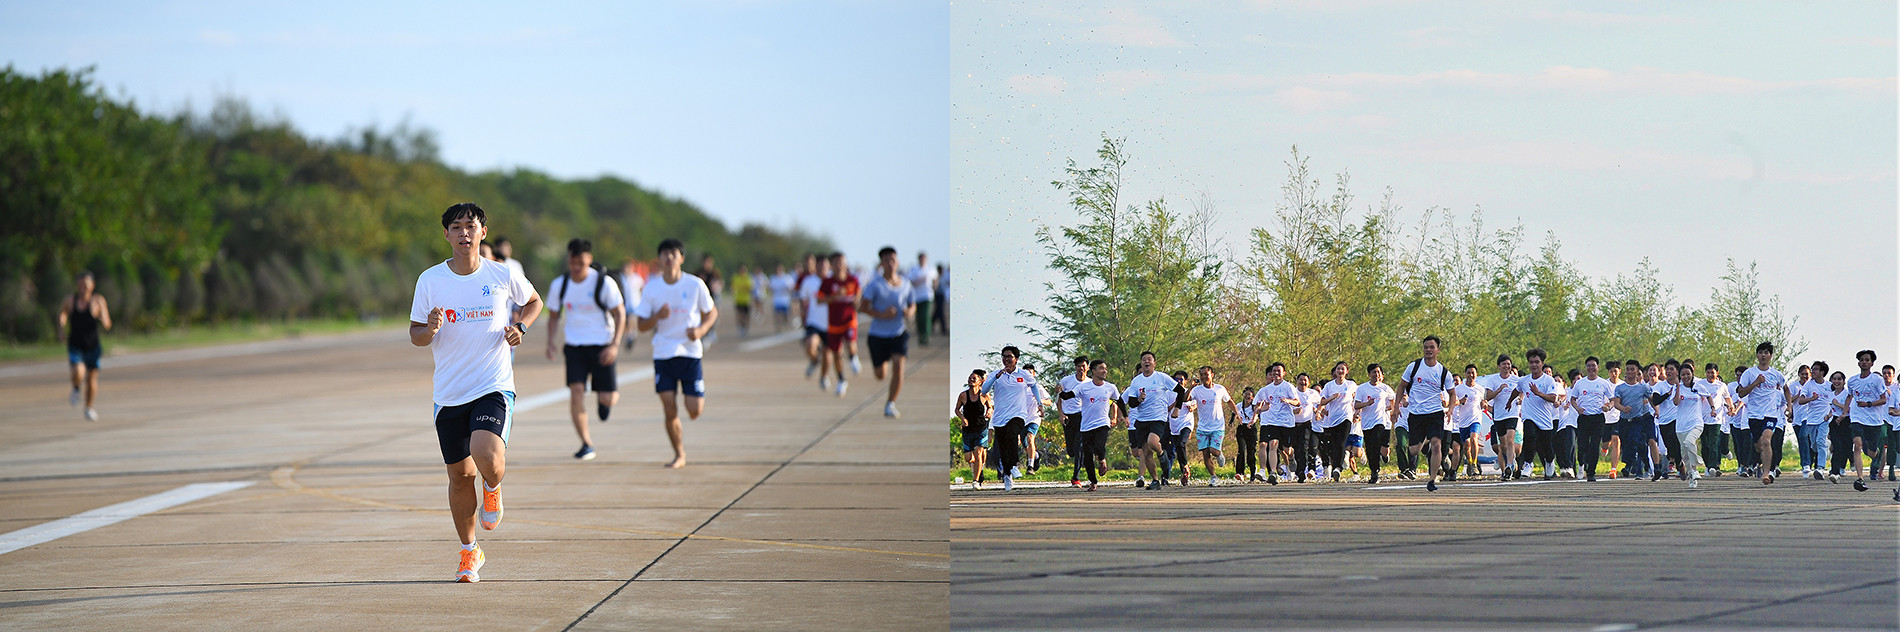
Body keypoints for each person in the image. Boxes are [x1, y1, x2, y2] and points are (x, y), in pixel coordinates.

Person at [408, 202, 543, 583]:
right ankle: (469, 553)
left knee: (487, 455)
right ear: (446, 235)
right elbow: (416, 335)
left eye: (471, 226)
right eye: (456, 227)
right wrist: (430, 329)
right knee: (458, 477)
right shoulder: (430, 281)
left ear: (483, 232)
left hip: (492, 385)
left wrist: (522, 327)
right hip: (449, 393)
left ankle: (494, 485)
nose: (464, 232)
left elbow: (534, 302)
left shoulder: (502, 274)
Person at [632, 238, 718, 470]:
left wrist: (700, 330)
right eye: (664, 253)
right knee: (669, 407)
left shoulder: (695, 284)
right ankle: (679, 455)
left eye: (673, 253)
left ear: (681, 258)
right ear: (659, 259)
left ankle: (693, 404)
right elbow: (640, 325)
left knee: (694, 410)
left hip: (690, 353)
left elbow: (711, 313)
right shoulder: (652, 288)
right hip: (663, 352)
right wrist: (657, 317)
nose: (669, 257)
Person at [544, 238, 627, 461]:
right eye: (573, 262)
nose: (576, 267)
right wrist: (551, 342)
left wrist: (615, 345)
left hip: (602, 345)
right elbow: (553, 317)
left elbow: (620, 313)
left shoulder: (604, 283)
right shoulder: (560, 285)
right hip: (574, 347)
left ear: (589, 260)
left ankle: (603, 401)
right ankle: (586, 443)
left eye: (581, 262)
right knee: (576, 392)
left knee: (609, 398)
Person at [858, 247, 917, 418]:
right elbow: (862, 307)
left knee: (899, 366)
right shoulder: (875, 285)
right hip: (877, 335)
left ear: (898, 261)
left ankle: (890, 404)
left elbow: (912, 304)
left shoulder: (906, 284)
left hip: (898, 333)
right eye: (886, 260)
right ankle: (880, 367)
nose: (890, 263)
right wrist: (881, 314)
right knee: (880, 374)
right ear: (881, 263)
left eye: (893, 259)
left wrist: (909, 312)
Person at [1396, 335, 1457, 491]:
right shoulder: (1414, 367)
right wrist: (1396, 407)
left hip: (1435, 412)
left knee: (1437, 445)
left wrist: (1450, 409)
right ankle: (1425, 441)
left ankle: (1432, 480)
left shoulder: (1443, 372)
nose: (1428, 350)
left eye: (1432, 347)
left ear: (1438, 350)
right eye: (1426, 347)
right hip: (1416, 413)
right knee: (1414, 450)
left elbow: (1452, 393)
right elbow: (1401, 386)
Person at [980, 345, 1045, 491]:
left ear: (1016, 359)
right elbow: (984, 391)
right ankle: (1007, 475)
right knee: (1003, 446)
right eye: (1004, 356)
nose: (1006, 359)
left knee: (1012, 434)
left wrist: (1040, 404)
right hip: (1000, 417)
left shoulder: (1024, 374)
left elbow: (1034, 386)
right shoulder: (995, 374)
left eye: (1009, 356)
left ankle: (1014, 465)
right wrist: (996, 377)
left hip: (1018, 414)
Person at [56, 270, 112, 421]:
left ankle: (89, 407)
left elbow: (107, 323)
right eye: (80, 283)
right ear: (77, 285)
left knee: (92, 379)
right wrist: (61, 328)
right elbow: (62, 313)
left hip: (93, 346)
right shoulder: (70, 300)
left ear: (92, 285)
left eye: (86, 284)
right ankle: (75, 388)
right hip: (76, 344)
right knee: (78, 371)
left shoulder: (98, 301)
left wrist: (102, 319)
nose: (83, 287)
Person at [1736, 342, 1788, 485]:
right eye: (1761, 352)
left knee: (1766, 441)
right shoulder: (1749, 373)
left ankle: (1766, 474)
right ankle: (1759, 463)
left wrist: (1789, 407)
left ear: (1771, 355)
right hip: (1754, 415)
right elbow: (1741, 393)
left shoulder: (1776, 374)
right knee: (1759, 446)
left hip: (1770, 413)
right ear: (1757, 355)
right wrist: (1755, 383)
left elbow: (1786, 389)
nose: (1763, 355)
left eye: (1766, 352)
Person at [1125, 351, 1177, 489]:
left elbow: (1181, 390)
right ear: (1141, 363)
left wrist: (1176, 409)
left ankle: (1161, 453)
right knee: (1146, 453)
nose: (1146, 362)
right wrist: (1138, 399)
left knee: (1153, 442)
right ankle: (1155, 480)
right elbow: (1131, 403)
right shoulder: (1136, 381)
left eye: (1149, 359)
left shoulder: (1162, 377)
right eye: (1144, 360)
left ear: (1154, 363)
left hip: (1158, 417)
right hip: (1142, 420)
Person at [1074, 360, 1122, 491]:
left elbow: (1120, 401)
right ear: (1093, 371)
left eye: (1105, 368)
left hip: (1103, 423)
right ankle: (1093, 481)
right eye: (1101, 368)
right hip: (1086, 426)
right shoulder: (1084, 387)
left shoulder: (1110, 387)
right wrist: (1061, 393)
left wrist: (1123, 416)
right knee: (1087, 455)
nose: (1104, 371)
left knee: (1099, 446)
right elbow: (1069, 395)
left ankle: (1102, 460)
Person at [818, 252, 862, 396]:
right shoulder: (828, 282)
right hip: (833, 323)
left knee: (850, 343)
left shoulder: (852, 280)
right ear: (832, 265)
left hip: (849, 320)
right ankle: (842, 379)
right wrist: (835, 297)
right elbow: (820, 300)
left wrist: (856, 301)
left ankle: (853, 358)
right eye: (836, 262)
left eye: (841, 262)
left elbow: (858, 297)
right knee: (836, 354)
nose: (839, 265)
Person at [1515, 349, 1561, 480]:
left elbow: (1553, 398)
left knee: (1547, 447)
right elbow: (1517, 390)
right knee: (1530, 436)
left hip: (1545, 419)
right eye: (1531, 362)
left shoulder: (1549, 381)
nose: (1533, 365)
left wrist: (1538, 393)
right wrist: (1509, 402)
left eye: (1536, 362)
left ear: (1542, 363)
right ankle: (1528, 464)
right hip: (1529, 416)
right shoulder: (1524, 380)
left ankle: (1550, 462)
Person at [1845, 351, 1887, 490]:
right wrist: (1845, 412)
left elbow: (1883, 399)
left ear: (1872, 363)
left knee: (1872, 453)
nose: (1864, 362)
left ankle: (1876, 451)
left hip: (1874, 420)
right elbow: (1850, 397)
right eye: (1861, 360)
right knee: (1857, 445)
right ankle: (1860, 479)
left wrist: (1868, 403)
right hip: (1857, 417)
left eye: (1867, 360)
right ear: (1858, 362)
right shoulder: (1852, 380)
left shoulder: (1877, 380)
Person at [1190, 366, 1237, 487]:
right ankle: (1213, 477)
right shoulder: (1196, 390)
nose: (1204, 377)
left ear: (1212, 375)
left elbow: (1229, 401)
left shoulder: (1220, 389)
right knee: (1205, 453)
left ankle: (1219, 454)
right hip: (1202, 428)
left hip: (1217, 427)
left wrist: (1237, 414)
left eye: (1206, 374)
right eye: (1202, 374)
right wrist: (1190, 388)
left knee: (1214, 450)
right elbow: (1186, 399)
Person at [1254, 363, 1298, 485]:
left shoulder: (1288, 387)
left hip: (1286, 422)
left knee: (1287, 449)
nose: (1276, 373)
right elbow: (1258, 404)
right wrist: (1260, 409)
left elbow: (1297, 402)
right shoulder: (1267, 389)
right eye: (1274, 371)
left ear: (1284, 373)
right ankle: (1272, 472)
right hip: (1273, 421)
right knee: (1273, 444)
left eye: (1279, 371)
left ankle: (1291, 457)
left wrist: (1287, 400)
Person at [1353, 364, 1396, 484]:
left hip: (1381, 420)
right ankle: (1373, 470)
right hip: (1367, 423)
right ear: (1369, 374)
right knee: (1370, 448)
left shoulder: (1385, 388)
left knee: (1377, 443)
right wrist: (1366, 403)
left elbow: (1393, 399)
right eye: (1373, 372)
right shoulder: (1362, 388)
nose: (1376, 374)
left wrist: (1392, 410)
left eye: (1378, 372)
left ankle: (1376, 470)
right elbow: (1356, 405)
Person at [1479, 355, 1520, 479]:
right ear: (1499, 366)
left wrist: (1521, 399)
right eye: (1504, 364)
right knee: (1502, 445)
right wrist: (1499, 390)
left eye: (1508, 364)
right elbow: (1487, 396)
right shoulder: (1493, 380)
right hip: (1499, 415)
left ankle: (1509, 466)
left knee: (1510, 440)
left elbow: (1522, 390)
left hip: (1512, 414)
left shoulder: (1516, 379)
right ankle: (1505, 470)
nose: (1507, 366)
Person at [1316, 362, 1357, 483]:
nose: (1340, 371)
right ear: (1335, 371)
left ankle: (1338, 468)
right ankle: (1335, 467)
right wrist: (1332, 398)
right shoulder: (1329, 386)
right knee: (1332, 446)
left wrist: (1357, 412)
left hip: (1346, 418)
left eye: (1342, 369)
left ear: (1347, 371)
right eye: (1338, 369)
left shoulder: (1351, 385)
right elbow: (1322, 402)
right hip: (1332, 420)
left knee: (1341, 443)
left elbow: (1357, 398)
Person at [955, 369, 993, 489]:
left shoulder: (984, 395)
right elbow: (956, 409)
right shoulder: (963, 395)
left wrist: (989, 412)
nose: (971, 380)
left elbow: (990, 407)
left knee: (978, 453)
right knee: (969, 458)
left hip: (981, 428)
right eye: (970, 378)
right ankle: (979, 468)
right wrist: (962, 418)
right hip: (967, 429)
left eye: (974, 378)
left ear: (980, 382)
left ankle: (976, 481)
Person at [1058, 356, 1089, 487]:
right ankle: (1084, 459)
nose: (1081, 369)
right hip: (1068, 417)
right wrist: (1061, 414)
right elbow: (1058, 398)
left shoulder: (1090, 383)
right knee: (1071, 450)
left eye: (1083, 366)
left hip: (1083, 416)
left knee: (1079, 446)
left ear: (1087, 367)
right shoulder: (1066, 381)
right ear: (1075, 367)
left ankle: (1075, 477)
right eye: (1078, 366)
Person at [1449, 365, 1483, 479]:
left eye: (1473, 373)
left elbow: (1485, 401)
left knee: (1473, 439)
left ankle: (1474, 464)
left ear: (1476, 375)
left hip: (1475, 419)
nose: (1471, 375)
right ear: (1465, 374)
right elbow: (1452, 403)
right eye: (1468, 373)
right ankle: (1469, 462)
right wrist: (1460, 401)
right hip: (1463, 422)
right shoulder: (1459, 389)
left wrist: (1484, 404)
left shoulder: (1480, 389)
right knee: (1466, 446)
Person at [797, 254, 828, 379]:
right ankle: (815, 360)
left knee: (830, 354)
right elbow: (802, 300)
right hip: (813, 320)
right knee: (809, 345)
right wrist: (803, 315)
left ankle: (825, 377)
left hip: (830, 322)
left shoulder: (832, 280)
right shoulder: (807, 280)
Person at [1291, 372, 1321, 483]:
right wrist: (1294, 411)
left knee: (1304, 447)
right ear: (1297, 381)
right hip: (1293, 424)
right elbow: (1285, 407)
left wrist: (1318, 412)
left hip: (1306, 424)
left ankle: (1302, 471)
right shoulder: (1293, 392)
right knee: (1295, 449)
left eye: (1305, 380)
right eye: (1301, 380)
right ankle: (1297, 468)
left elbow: (1320, 403)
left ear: (1308, 382)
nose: (1303, 382)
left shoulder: (1312, 393)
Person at [907, 252, 939, 347]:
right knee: (919, 318)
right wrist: (917, 282)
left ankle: (926, 335)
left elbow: (935, 279)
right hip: (917, 297)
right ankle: (921, 335)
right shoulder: (915, 270)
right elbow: (910, 281)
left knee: (925, 316)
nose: (922, 261)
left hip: (927, 296)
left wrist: (934, 286)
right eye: (921, 259)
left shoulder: (930, 269)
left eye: (924, 259)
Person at [1234, 386, 1260, 482]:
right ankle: (1240, 472)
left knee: (1251, 452)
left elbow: (1257, 415)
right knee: (1241, 450)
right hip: (1242, 429)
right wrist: (1236, 418)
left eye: (1249, 395)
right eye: (1246, 394)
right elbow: (1235, 414)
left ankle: (1253, 472)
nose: (1247, 396)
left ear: (1253, 397)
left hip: (1251, 429)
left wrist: (1253, 421)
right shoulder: (1239, 406)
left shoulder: (1254, 407)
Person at [769, 263, 795, 333]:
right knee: (777, 315)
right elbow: (770, 288)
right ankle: (778, 328)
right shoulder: (773, 278)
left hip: (785, 299)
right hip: (777, 299)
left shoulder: (787, 277)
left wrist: (787, 288)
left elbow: (792, 287)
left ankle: (785, 322)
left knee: (785, 315)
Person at [730, 263, 754, 338]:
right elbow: (733, 287)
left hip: (746, 299)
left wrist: (745, 289)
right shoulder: (736, 278)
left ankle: (746, 328)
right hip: (738, 299)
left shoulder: (748, 278)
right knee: (740, 315)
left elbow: (751, 288)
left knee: (746, 315)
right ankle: (741, 327)